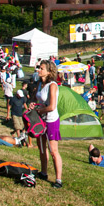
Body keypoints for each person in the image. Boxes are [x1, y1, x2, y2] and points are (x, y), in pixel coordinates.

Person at [35, 60, 63, 188]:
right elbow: (40, 100)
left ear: (49, 71)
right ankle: (44, 172)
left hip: (51, 120)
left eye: (41, 68)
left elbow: (51, 106)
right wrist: (35, 105)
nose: (39, 70)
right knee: (41, 148)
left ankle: (58, 179)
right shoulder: (40, 84)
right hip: (41, 120)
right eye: (39, 68)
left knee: (53, 151)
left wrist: (39, 110)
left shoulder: (52, 85)